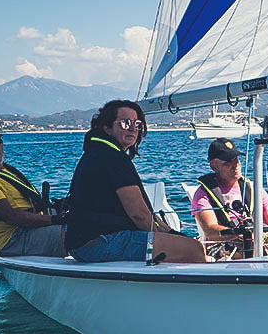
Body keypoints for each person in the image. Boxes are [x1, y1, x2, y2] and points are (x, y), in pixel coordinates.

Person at [64, 100, 206, 263]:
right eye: (125, 123)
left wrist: (173, 236)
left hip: (82, 243)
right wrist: (178, 241)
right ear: (107, 128)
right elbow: (140, 216)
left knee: (181, 243)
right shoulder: (113, 159)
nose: (133, 128)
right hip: (99, 243)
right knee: (193, 249)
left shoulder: (96, 153)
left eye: (137, 123)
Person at [192, 138, 268, 258]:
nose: (235, 164)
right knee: (245, 246)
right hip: (224, 245)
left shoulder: (254, 189)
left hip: (257, 239)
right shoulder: (203, 194)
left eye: (236, 159)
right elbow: (210, 231)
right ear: (214, 166)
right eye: (227, 162)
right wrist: (239, 234)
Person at [0, 124, 66, 257]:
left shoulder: (5, 170)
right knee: (79, 231)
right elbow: (12, 217)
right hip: (13, 239)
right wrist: (59, 220)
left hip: (32, 228)